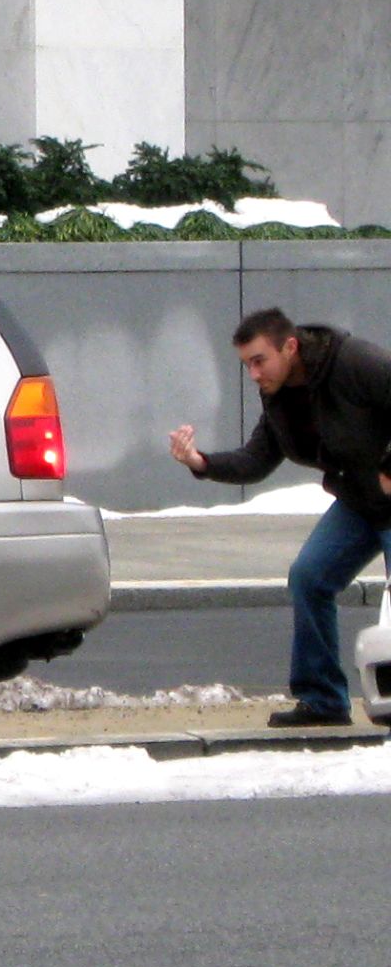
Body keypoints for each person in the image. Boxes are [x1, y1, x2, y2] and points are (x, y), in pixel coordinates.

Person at [168, 307, 391, 727]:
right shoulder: (279, 394)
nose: (253, 374)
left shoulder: (355, 363)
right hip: (360, 503)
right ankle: (323, 701)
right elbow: (257, 460)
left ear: (289, 346)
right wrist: (200, 461)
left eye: (259, 360)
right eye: (246, 364)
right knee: (309, 577)